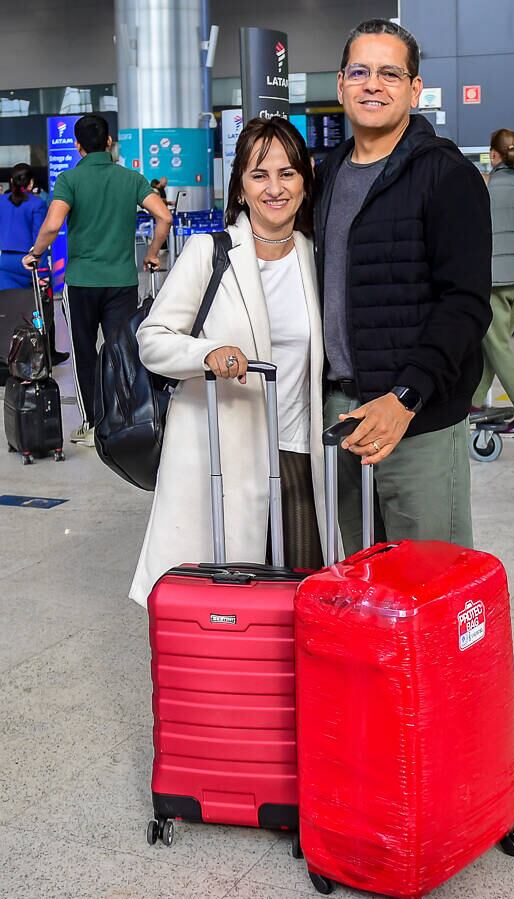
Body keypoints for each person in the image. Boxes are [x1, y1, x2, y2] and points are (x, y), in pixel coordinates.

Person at [130, 117, 327, 606]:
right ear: (240, 184)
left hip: (297, 452)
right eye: (260, 175)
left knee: (301, 599)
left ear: (305, 180)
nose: (275, 188)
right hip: (224, 455)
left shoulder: (317, 257)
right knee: (230, 604)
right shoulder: (209, 252)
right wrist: (206, 353)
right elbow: (151, 339)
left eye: (288, 173)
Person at [316, 18, 492, 555]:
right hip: (344, 411)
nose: (373, 84)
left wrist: (405, 396)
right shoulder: (326, 174)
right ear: (341, 84)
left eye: (390, 73)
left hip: (416, 417)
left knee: (430, 581)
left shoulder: (445, 174)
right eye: (360, 71)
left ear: (415, 90)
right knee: (364, 582)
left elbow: (464, 304)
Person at [23, 114, 173, 446]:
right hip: (122, 282)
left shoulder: (70, 180)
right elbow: (163, 216)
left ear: (77, 146)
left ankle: (92, 425)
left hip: (81, 284)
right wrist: (151, 253)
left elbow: (52, 225)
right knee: (122, 351)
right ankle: (126, 420)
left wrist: (35, 253)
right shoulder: (130, 178)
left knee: (85, 354)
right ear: (109, 142)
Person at [472, 128, 514, 437]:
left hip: (493, 276)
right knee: (494, 346)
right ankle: (472, 406)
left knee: (497, 345)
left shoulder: (484, 186)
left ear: (494, 156)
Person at [0, 163, 48, 290]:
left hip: (6, 261)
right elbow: (39, 238)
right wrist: (43, 271)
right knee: (32, 307)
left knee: (8, 306)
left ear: (11, 181)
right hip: (29, 261)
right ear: (31, 183)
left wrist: (6, 236)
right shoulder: (37, 203)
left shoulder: (0, 201)